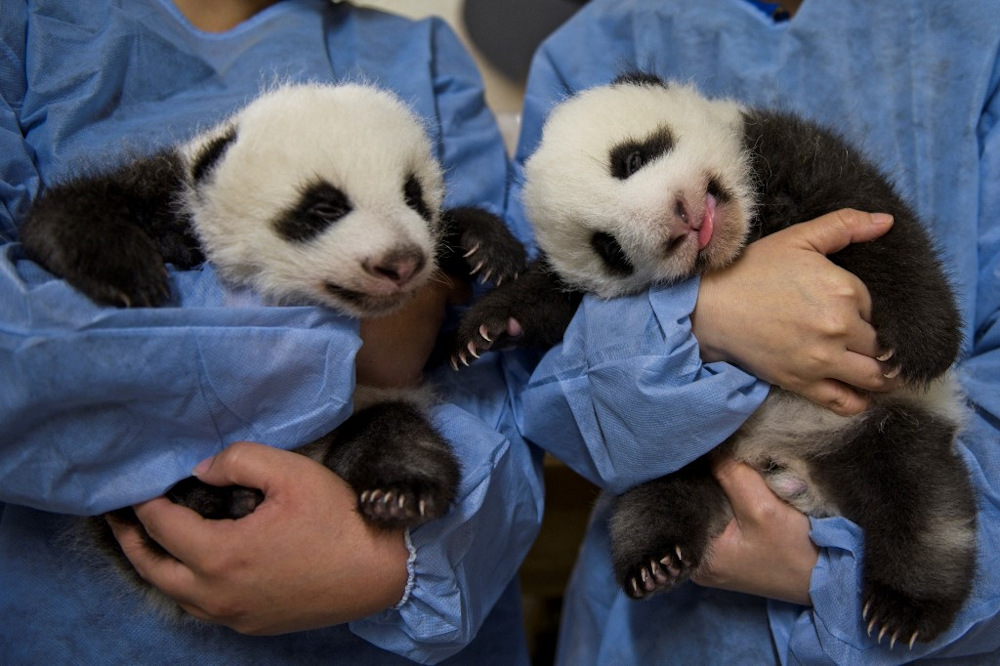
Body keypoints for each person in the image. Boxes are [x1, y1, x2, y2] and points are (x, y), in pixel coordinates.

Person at [0, 1, 543, 663]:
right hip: (94, 621)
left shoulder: (422, 55)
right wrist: (383, 334)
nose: (400, 254)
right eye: (324, 208)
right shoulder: (28, 36)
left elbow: (507, 392)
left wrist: (386, 564)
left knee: (404, 437)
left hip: (386, 581)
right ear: (213, 171)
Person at [507, 0, 1000, 662]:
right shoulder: (590, 47)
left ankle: (918, 581)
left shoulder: (976, 33)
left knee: (910, 473)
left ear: (659, 94)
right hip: (679, 614)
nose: (668, 220)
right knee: (659, 506)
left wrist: (820, 573)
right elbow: (553, 394)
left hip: (876, 460)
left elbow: (886, 243)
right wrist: (703, 315)